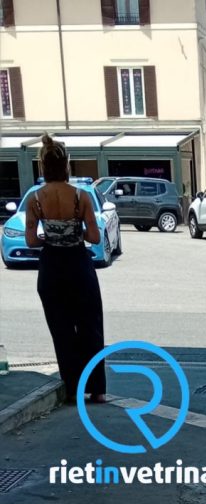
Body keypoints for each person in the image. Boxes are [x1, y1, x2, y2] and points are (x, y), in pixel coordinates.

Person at [25, 135, 107, 404]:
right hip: (78, 265)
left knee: (61, 329)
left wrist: (52, 234)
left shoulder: (35, 199)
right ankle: (96, 389)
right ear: (67, 164)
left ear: (43, 166)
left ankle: (72, 390)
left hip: (51, 268)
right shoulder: (80, 196)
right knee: (90, 326)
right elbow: (95, 238)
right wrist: (74, 231)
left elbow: (31, 240)